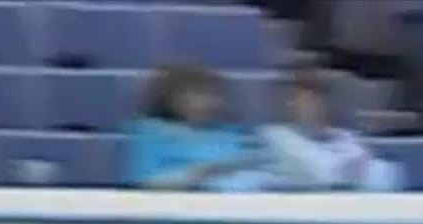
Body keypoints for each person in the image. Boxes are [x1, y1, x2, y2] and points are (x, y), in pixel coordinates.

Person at [122, 63, 275, 192]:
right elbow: (148, 185)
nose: (207, 102)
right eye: (196, 95)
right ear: (170, 99)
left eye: (212, 94)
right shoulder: (149, 133)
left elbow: (264, 165)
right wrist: (205, 171)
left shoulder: (234, 132)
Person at [258, 66, 406, 192]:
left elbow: (380, 173)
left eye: (317, 97)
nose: (313, 104)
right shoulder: (278, 136)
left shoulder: (345, 136)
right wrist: (352, 170)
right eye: (305, 99)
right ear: (290, 103)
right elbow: (321, 174)